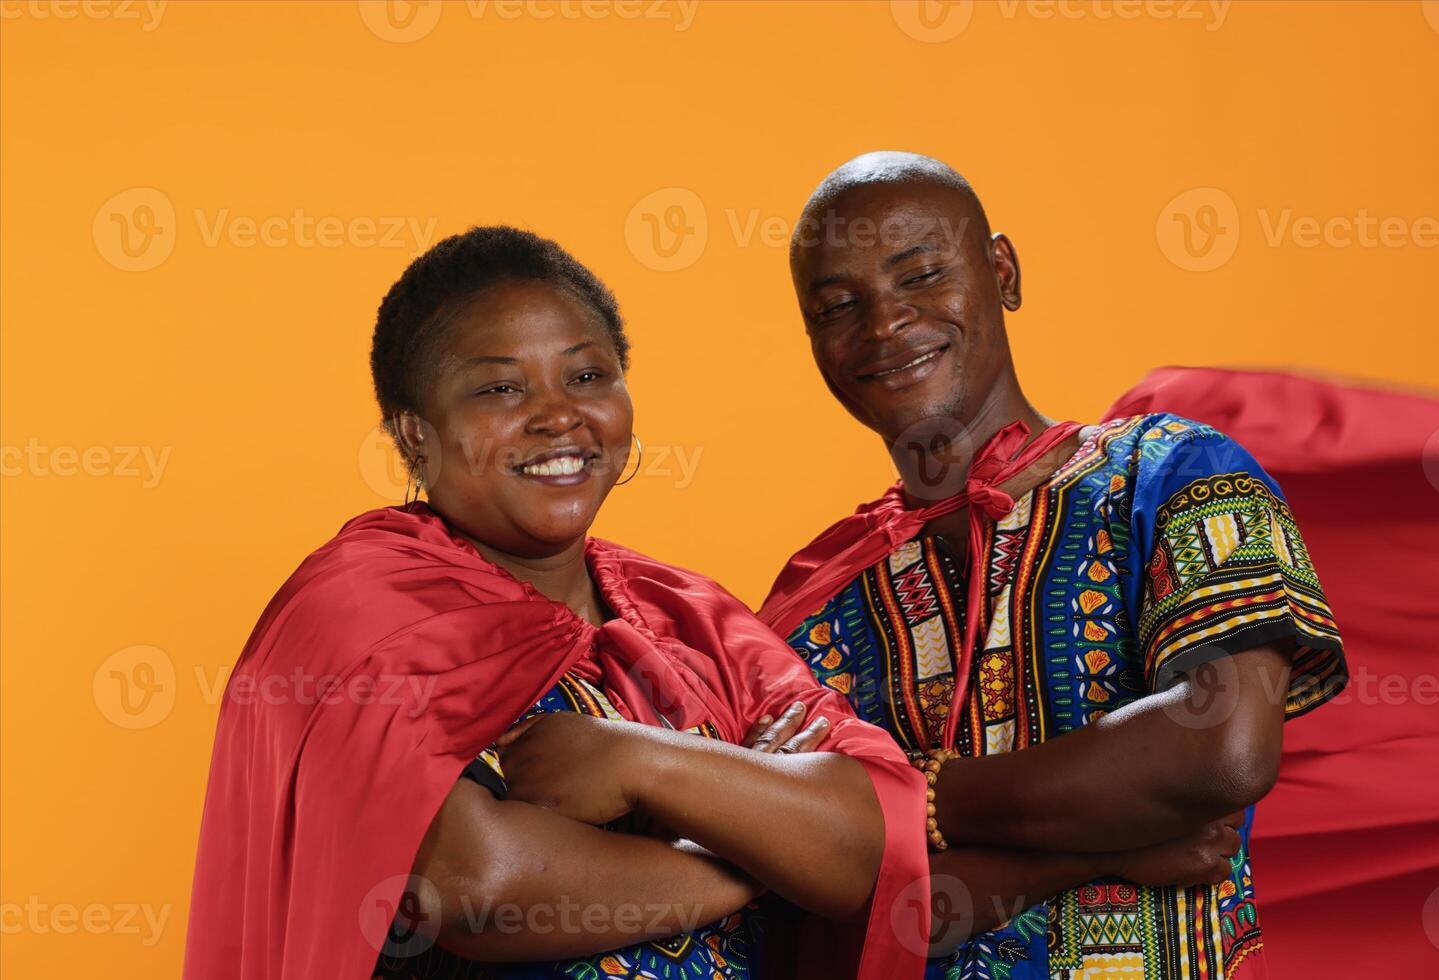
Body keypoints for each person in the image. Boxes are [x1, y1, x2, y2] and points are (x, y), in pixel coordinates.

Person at [183, 226, 929, 980]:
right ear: (415, 435)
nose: (557, 416)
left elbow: (867, 846)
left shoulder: (689, 614)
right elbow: (477, 885)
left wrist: (642, 765)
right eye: (500, 388)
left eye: (585, 377)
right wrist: (755, 849)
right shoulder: (355, 610)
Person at [760, 153, 1350, 979]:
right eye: (837, 307)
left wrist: (907, 800)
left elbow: (1220, 749)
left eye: (922, 275)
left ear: (1000, 271)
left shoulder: (1175, 472)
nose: (885, 324)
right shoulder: (819, 595)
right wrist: (1088, 847)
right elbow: (810, 909)